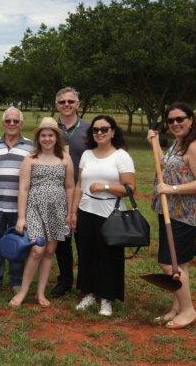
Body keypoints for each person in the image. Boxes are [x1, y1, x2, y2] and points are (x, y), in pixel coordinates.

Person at [148, 102, 196, 329]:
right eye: (171, 120)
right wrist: (154, 143)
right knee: (180, 264)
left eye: (180, 119)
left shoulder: (194, 146)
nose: (175, 123)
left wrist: (171, 189)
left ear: (191, 119)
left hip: (184, 216)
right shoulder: (178, 144)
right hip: (168, 212)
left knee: (169, 263)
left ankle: (188, 310)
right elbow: (165, 164)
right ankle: (176, 308)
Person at [72, 115, 135, 316]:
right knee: (87, 254)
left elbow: (130, 188)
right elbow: (79, 185)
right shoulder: (87, 155)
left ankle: (107, 297)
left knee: (109, 256)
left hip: (110, 213)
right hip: (86, 211)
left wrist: (105, 186)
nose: (99, 133)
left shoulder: (121, 156)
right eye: (95, 130)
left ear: (113, 132)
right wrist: (73, 212)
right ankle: (89, 292)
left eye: (104, 129)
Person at [9, 117, 75, 307]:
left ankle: (40, 293)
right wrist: (21, 217)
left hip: (57, 209)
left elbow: (70, 186)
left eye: (51, 135)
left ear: (56, 137)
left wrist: (69, 213)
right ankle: (23, 291)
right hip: (35, 208)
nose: (47, 139)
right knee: (37, 249)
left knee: (50, 250)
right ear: (39, 138)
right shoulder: (31, 158)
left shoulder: (65, 157)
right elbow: (23, 188)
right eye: (43, 135)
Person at [0, 107, 34, 296]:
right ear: (3, 123)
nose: (12, 124)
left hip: (19, 208)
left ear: (21, 124)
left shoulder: (31, 147)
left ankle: (17, 282)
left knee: (17, 245)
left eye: (16, 121)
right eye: (8, 121)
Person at [51, 87, 91, 298]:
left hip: (83, 191)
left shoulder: (89, 128)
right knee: (62, 240)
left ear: (78, 104)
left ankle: (85, 283)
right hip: (56, 191)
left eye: (70, 101)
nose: (66, 105)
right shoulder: (50, 127)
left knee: (83, 239)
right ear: (57, 105)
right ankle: (65, 279)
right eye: (62, 102)